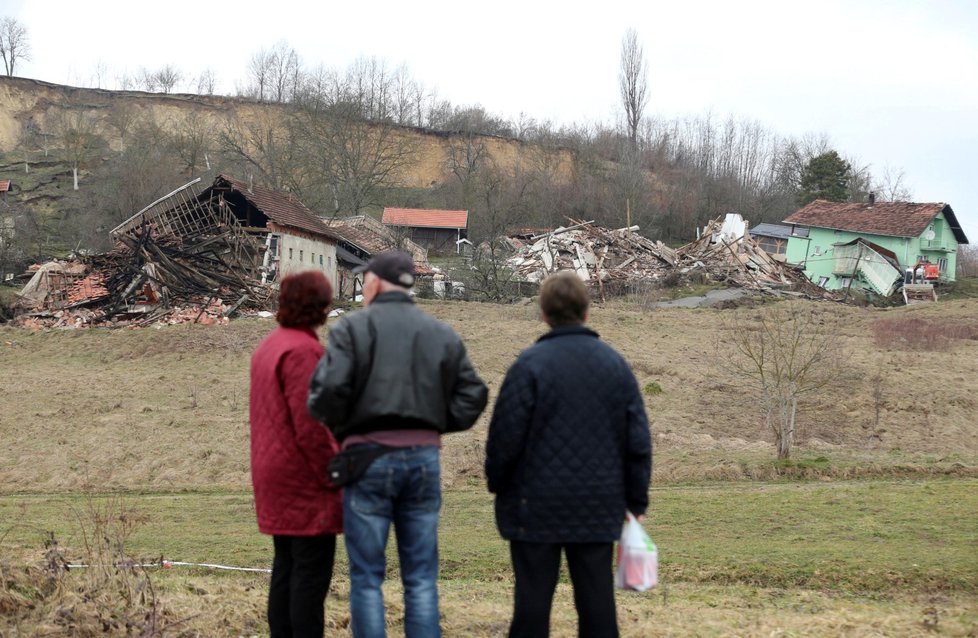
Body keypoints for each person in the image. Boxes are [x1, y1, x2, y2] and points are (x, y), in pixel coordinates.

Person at [308, 251, 488, 638]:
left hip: (366, 459)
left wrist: (347, 428)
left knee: (367, 578)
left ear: (375, 282)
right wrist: (433, 424)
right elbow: (473, 394)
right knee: (421, 577)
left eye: (365, 279)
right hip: (423, 458)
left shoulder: (351, 330)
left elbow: (324, 395)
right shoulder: (440, 333)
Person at [485, 271, 652, 638]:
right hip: (598, 504)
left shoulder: (527, 366)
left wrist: (498, 485)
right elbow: (637, 442)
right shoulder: (616, 367)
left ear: (543, 314)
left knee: (531, 606)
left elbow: (503, 439)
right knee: (597, 606)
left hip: (534, 506)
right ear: (587, 313)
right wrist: (636, 500)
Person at [249, 271, 343, 638]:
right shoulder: (305, 352)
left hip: (272, 473)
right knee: (310, 576)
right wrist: (332, 473)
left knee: (286, 567)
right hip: (302, 478)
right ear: (318, 306)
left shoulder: (269, 346)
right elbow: (311, 425)